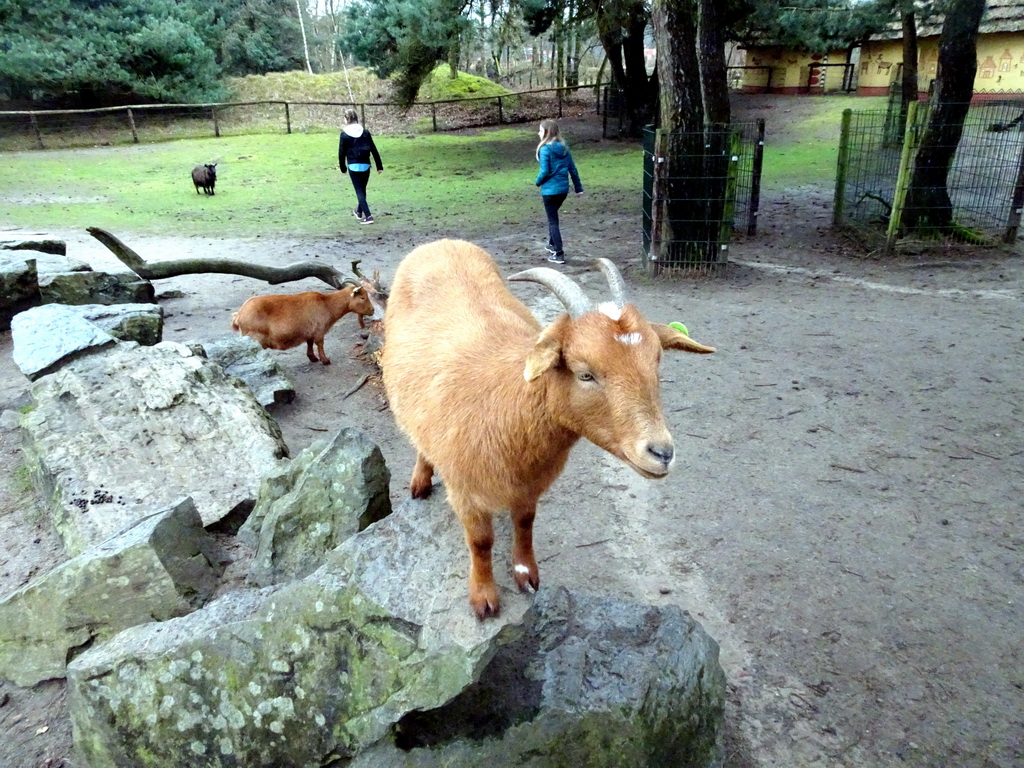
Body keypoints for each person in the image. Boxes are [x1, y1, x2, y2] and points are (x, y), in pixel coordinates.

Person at [534, 119, 583, 264]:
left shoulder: (545, 149)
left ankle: (558, 253)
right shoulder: (564, 146)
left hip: (550, 191)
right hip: (563, 190)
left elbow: (545, 171)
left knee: (553, 221)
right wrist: (578, 188)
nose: (538, 133)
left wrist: (537, 182)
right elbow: (572, 169)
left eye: (540, 130)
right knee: (553, 217)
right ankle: (551, 244)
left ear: (547, 132)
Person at [339, 108, 383, 224]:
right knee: (362, 190)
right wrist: (379, 165)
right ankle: (359, 211)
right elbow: (373, 148)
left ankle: (368, 216)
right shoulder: (365, 132)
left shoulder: (344, 134)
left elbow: (341, 152)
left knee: (359, 191)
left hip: (353, 166)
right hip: (366, 165)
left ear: (346, 119)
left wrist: (343, 168)